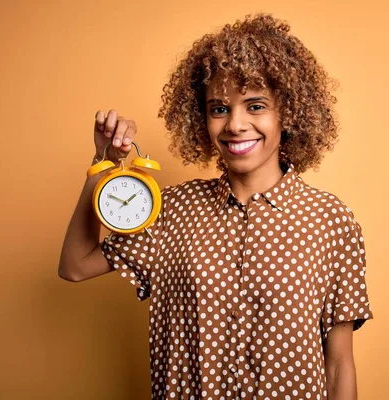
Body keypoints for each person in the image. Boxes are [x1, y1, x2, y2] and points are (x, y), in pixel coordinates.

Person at [59, 14, 373, 400]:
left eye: (255, 106)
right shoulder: (170, 211)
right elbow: (75, 266)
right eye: (219, 109)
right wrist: (101, 164)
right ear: (201, 118)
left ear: (286, 113)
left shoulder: (331, 221)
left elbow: (340, 364)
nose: (236, 125)